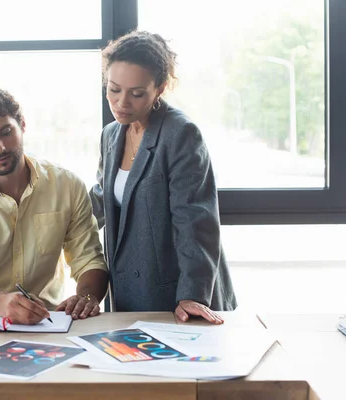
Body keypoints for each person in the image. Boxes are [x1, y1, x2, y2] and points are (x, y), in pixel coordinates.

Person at [0, 86, 108, 325]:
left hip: (49, 322)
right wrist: (1, 304)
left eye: (6, 132)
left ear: (22, 124)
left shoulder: (67, 186)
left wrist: (86, 296)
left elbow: (90, 260)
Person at [90, 31, 237, 323]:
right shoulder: (110, 135)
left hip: (175, 297)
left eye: (137, 93)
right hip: (128, 294)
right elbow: (99, 203)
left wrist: (192, 295)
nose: (121, 103)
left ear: (160, 88)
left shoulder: (180, 134)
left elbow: (195, 221)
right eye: (114, 89)